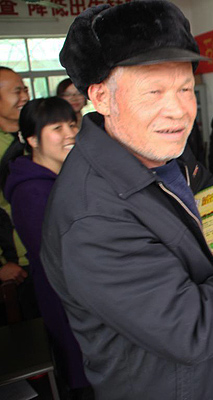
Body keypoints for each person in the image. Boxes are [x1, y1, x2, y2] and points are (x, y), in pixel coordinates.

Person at [40, 1, 213, 398]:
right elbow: (191, 330)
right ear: (102, 97)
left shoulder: (167, 155)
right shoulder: (92, 217)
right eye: (154, 91)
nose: (177, 111)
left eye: (186, 89)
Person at [2, 97, 92, 397]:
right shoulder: (30, 191)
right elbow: (59, 258)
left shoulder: (67, 174)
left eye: (72, 124)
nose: (70, 134)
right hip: (66, 297)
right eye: (57, 128)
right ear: (31, 139)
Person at [0, 66, 32, 316]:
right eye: (16, 91)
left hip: (52, 257)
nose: (24, 97)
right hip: (17, 266)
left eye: (25, 89)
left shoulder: (35, 135)